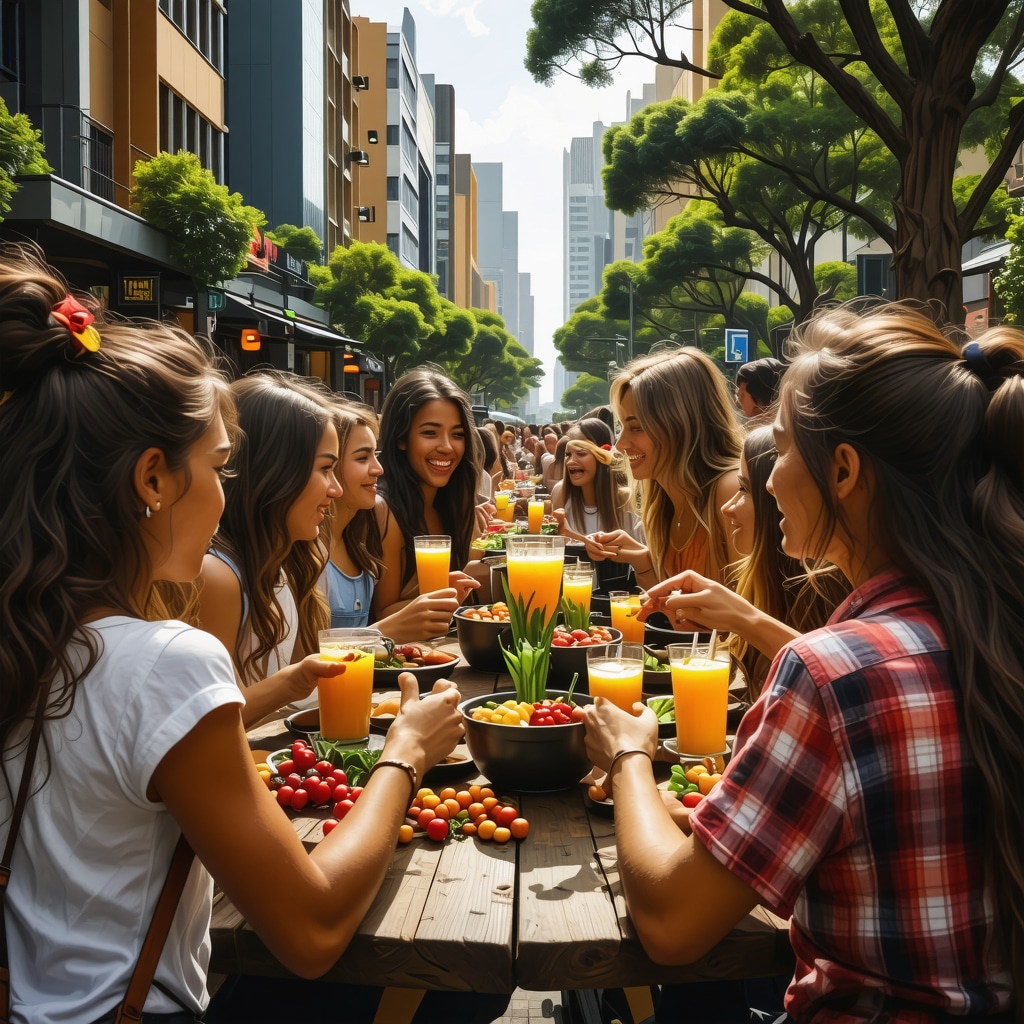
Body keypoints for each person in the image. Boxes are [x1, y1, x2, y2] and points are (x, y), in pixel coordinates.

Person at [0, 246, 465, 1022]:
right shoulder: (162, 662)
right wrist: (407, 754)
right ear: (152, 479)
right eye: (219, 467)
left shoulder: (34, 632)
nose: (226, 493)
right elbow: (311, 929)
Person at [584, 304, 1024, 1022]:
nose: (765, 474)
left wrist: (629, 756)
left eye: (781, 449)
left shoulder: (833, 673)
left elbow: (671, 921)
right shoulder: (989, 623)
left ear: (844, 470)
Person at [641, 425, 848, 698]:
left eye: (744, 489)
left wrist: (744, 620)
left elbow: (846, 685)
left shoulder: (826, 590)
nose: (727, 507)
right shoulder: (751, 577)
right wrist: (710, 619)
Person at [195, 373, 347, 726]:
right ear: (274, 471)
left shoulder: (285, 563)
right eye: (325, 468)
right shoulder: (218, 575)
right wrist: (290, 683)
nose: (336, 489)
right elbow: (213, 721)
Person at [585, 348, 743, 589]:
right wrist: (641, 559)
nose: (620, 445)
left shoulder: (730, 490)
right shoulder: (661, 500)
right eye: (621, 428)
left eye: (636, 427)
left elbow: (752, 614)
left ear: (681, 424)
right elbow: (674, 615)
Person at [325, 402, 462, 640]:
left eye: (375, 455)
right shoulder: (309, 552)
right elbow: (303, 661)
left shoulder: (355, 541)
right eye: (362, 458)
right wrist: (382, 631)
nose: (378, 469)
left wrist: (429, 596)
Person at [372, 368, 483, 621]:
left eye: (457, 434)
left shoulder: (456, 501)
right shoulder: (384, 509)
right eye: (430, 433)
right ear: (401, 438)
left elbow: (470, 570)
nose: (446, 447)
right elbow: (382, 615)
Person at [550, 417, 643, 541]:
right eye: (568, 454)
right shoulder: (561, 493)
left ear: (602, 456)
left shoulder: (626, 500)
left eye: (581, 453)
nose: (571, 461)